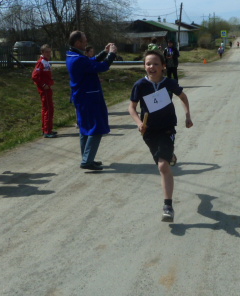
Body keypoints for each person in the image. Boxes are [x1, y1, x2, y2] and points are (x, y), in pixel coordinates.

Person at [128, 50, 193, 222]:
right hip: (148, 132)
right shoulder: (140, 85)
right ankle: (169, 155)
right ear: (144, 66)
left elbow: (183, 97)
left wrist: (187, 116)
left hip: (167, 129)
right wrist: (139, 123)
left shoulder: (169, 83)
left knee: (163, 166)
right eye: (148, 64)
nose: (152, 67)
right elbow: (132, 108)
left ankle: (168, 206)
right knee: (163, 160)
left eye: (156, 63)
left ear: (163, 66)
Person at [67, 30, 117, 171]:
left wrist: (103, 52)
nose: (86, 42)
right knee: (96, 127)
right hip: (89, 97)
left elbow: (91, 62)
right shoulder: (78, 59)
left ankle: (87, 158)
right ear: (77, 43)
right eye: (84, 40)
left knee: (84, 128)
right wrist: (111, 54)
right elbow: (102, 67)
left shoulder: (73, 56)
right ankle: (87, 160)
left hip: (82, 97)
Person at [32, 44, 57, 138]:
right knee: (48, 109)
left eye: (49, 52)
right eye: (46, 52)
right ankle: (47, 131)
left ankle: (47, 129)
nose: (48, 54)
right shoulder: (41, 62)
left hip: (48, 88)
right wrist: (43, 85)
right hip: (45, 90)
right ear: (42, 53)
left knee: (48, 108)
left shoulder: (46, 62)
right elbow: (35, 76)